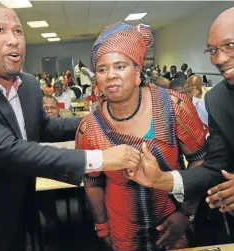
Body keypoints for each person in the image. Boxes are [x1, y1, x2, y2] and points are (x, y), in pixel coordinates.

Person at [0, 3, 142, 250]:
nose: (13, 40)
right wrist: (100, 159)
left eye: (18, 31)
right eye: (0, 30)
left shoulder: (27, 85)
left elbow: (44, 128)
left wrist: (101, 120)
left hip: (25, 211)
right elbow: (8, 149)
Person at [129, 5, 234, 242]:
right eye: (212, 50)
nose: (219, 59)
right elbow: (215, 166)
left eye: (230, 45)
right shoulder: (219, 100)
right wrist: (162, 179)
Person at [76, 22, 208, 251]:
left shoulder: (174, 107)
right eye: (102, 69)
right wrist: (102, 227)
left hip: (174, 221)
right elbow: (93, 182)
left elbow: (201, 159)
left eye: (120, 66)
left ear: (137, 71)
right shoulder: (89, 128)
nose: (111, 76)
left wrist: (186, 213)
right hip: (122, 231)